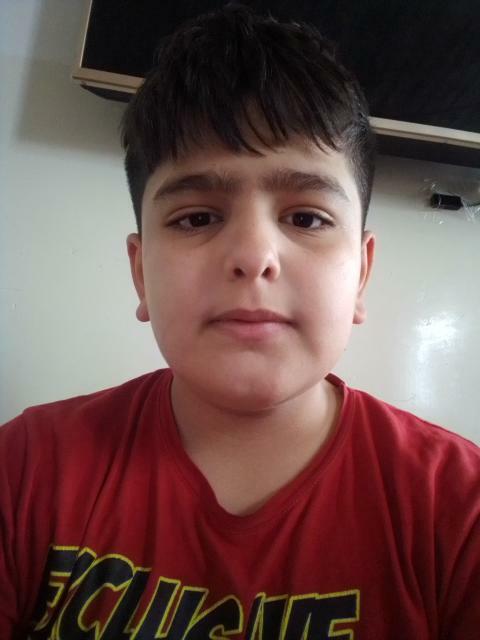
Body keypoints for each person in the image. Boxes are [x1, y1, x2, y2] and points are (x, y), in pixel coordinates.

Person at [1, 4, 479, 639]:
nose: (254, 256)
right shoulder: (24, 468)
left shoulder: (459, 510)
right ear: (140, 273)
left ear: (361, 274)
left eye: (306, 217)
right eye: (197, 217)